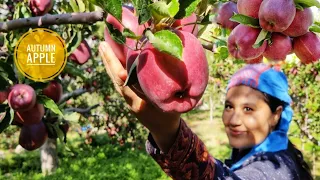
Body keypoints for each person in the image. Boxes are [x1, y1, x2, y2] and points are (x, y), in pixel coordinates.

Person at [98, 42, 313, 180]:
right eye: (229, 106)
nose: (234, 119)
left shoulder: (274, 170)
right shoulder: (265, 155)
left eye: (248, 108)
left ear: (276, 114)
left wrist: (168, 134)